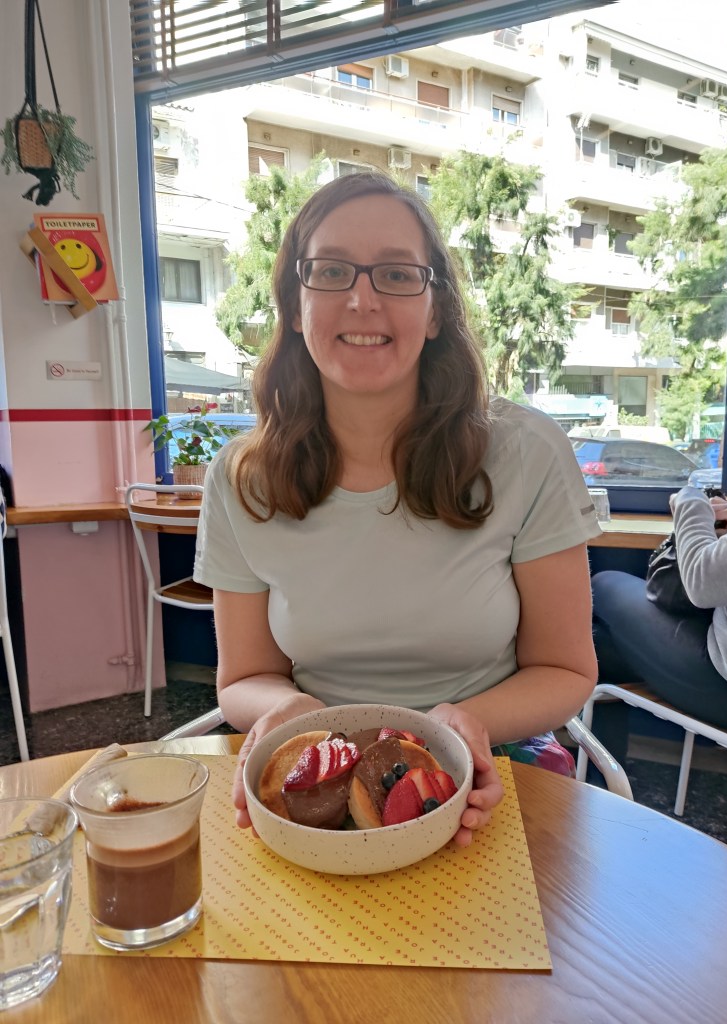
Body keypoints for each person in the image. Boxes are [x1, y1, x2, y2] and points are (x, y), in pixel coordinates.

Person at [193, 170, 602, 844]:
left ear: (436, 308)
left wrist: (456, 724)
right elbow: (244, 677)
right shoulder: (242, 478)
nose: (361, 301)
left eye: (396, 274)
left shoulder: (526, 451)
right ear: (295, 305)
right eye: (329, 272)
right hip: (315, 767)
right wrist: (291, 712)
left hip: (493, 754)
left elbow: (565, 670)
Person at [590, 477, 727, 764]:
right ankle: (605, 788)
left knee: (605, 584)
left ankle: (600, 790)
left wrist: (690, 502)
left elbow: (704, 583)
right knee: (604, 645)